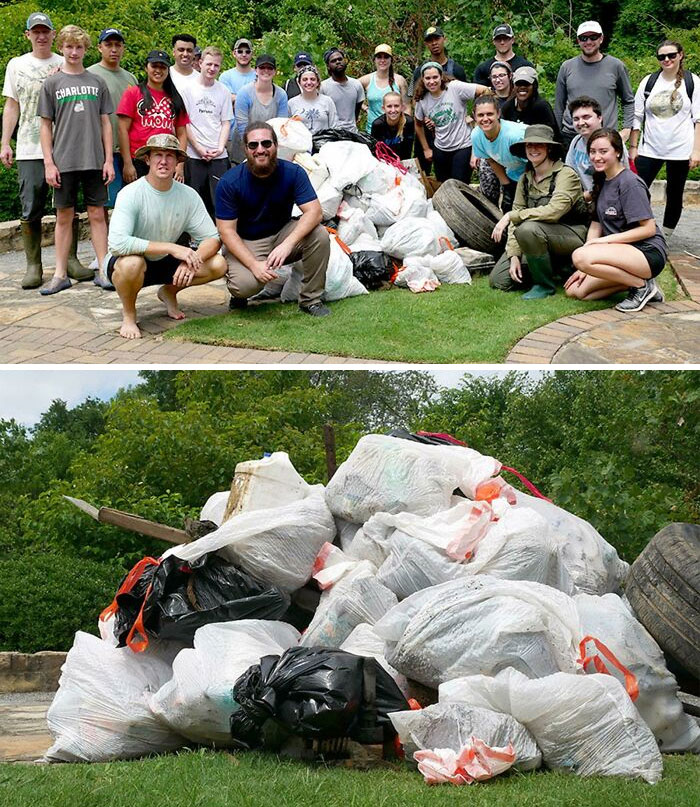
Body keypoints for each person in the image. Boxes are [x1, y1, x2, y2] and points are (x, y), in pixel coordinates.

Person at [1, 12, 91, 289]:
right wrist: (5, 142)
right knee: (31, 206)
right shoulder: (17, 65)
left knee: (67, 205)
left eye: (46, 31)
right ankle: (33, 265)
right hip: (29, 146)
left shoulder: (67, 61)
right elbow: (12, 105)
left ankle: (72, 260)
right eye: (35, 31)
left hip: (65, 147)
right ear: (28, 35)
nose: (41, 36)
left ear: (54, 35)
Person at [107, 133, 226, 339]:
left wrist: (189, 262)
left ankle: (169, 292)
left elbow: (212, 238)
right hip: (130, 262)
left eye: (170, 156)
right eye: (158, 155)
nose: (163, 161)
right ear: (148, 159)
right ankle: (129, 314)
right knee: (131, 264)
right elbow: (117, 243)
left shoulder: (188, 195)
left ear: (178, 162)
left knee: (218, 264)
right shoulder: (131, 193)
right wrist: (172, 248)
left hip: (166, 263)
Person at [215, 121, 331, 317]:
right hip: (247, 241)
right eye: (253, 145)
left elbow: (314, 212)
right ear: (245, 149)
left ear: (276, 146)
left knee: (319, 235)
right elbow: (226, 231)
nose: (260, 150)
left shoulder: (293, 172)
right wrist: (253, 265)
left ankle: (311, 299)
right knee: (244, 286)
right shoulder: (229, 182)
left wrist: (288, 244)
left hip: (281, 234)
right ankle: (239, 293)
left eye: (266, 144)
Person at [37, 24, 114, 295]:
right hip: (64, 160)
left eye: (79, 47)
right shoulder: (52, 82)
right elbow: (45, 126)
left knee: (97, 214)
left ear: (86, 49)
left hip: (94, 159)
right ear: (62, 48)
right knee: (63, 216)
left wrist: (108, 160)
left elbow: (106, 123)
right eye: (69, 46)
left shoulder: (97, 82)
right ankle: (60, 274)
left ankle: (104, 269)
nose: (73, 52)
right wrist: (49, 162)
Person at [565, 127, 667, 311]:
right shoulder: (602, 181)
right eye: (593, 152)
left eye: (604, 151)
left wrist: (600, 245)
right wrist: (585, 267)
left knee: (579, 256)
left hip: (647, 252)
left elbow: (648, 229)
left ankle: (642, 287)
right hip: (621, 254)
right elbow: (596, 225)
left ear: (618, 152)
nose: (597, 157)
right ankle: (641, 284)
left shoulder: (629, 182)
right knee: (576, 291)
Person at [489, 124, 588, 298]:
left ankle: (544, 285)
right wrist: (514, 255)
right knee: (499, 280)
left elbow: (554, 211)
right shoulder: (525, 179)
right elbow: (516, 218)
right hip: (536, 238)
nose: (533, 149)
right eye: (529, 145)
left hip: (571, 235)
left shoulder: (566, 174)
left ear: (549, 148)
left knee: (528, 229)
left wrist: (511, 216)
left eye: (539, 144)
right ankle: (554, 267)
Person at [630, 40, 700, 240]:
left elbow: (698, 119)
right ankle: (639, 229)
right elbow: (637, 116)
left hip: (680, 149)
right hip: (649, 148)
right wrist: (633, 146)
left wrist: (696, 151)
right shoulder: (649, 81)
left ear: (680, 55)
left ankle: (665, 236)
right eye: (662, 57)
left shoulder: (692, 81)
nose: (667, 60)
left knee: (674, 194)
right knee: (637, 189)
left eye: (671, 55)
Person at [87, 27, 137, 284]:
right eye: (109, 44)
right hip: (99, 151)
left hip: (126, 150)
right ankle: (102, 252)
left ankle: (117, 250)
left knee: (122, 204)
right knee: (101, 204)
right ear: (100, 47)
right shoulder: (90, 74)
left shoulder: (130, 77)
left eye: (118, 44)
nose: (114, 49)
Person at [554, 21, 634, 149]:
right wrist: (557, 134)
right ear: (578, 41)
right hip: (571, 136)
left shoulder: (616, 66)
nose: (588, 42)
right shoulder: (567, 67)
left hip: (605, 136)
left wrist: (626, 129)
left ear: (601, 38)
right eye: (583, 38)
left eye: (593, 37)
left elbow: (628, 100)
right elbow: (559, 105)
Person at [117, 50, 189, 183]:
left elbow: (182, 133)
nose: (158, 70)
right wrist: (127, 163)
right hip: (137, 158)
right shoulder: (133, 93)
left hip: (165, 160)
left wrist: (179, 165)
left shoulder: (175, 98)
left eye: (163, 67)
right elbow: (122, 129)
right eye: (154, 66)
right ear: (146, 67)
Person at [413, 63, 488, 184]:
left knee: (459, 186)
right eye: (427, 78)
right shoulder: (422, 98)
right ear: (422, 79)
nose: (432, 82)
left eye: (435, 77)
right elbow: (418, 124)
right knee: (444, 187)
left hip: (462, 145)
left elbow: (485, 90)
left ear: (441, 76)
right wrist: (426, 148)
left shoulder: (454, 88)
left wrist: (476, 114)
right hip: (440, 147)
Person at [181, 46, 233, 218]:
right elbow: (184, 123)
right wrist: (198, 148)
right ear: (200, 63)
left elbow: (226, 122)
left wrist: (220, 147)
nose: (212, 69)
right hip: (194, 154)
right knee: (195, 198)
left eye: (216, 66)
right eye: (209, 64)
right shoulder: (187, 90)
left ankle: (220, 236)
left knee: (220, 199)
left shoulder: (223, 91)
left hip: (218, 155)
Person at [565, 96, 629, 202]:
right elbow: (569, 173)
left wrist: (582, 197)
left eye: (586, 117)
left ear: (599, 118)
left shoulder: (612, 141)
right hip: (585, 200)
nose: (580, 123)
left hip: (611, 200)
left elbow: (621, 179)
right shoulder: (576, 142)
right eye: (576, 119)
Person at [471, 94, 528, 211]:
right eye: (480, 115)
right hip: (513, 172)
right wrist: (507, 187)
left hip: (534, 170)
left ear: (498, 114)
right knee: (507, 207)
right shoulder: (476, 135)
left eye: (490, 114)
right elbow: (491, 160)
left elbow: (536, 163)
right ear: (474, 117)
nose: (485, 119)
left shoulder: (514, 137)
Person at [476, 62, 515, 204]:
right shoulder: (486, 99)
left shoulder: (519, 97)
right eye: (494, 77)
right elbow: (478, 127)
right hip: (491, 152)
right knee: (488, 192)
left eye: (502, 75)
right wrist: (475, 154)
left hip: (512, 152)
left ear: (510, 76)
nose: (498, 79)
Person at [219, 38, 255, 163]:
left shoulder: (258, 75)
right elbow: (226, 100)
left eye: (247, 51)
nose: (244, 54)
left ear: (252, 54)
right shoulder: (225, 76)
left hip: (254, 135)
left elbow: (260, 100)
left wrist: (236, 98)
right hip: (229, 135)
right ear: (234, 53)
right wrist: (248, 99)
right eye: (240, 51)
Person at [234, 55, 289, 139]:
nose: (266, 70)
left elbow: (281, 124)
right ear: (256, 70)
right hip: (244, 141)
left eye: (270, 68)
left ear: (275, 72)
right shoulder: (244, 93)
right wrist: (250, 146)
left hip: (270, 142)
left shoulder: (281, 95)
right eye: (262, 67)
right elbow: (242, 125)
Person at [359, 45, 409, 134]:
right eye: (379, 57)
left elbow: (407, 106)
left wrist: (405, 128)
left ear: (391, 60)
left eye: (386, 57)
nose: (382, 60)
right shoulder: (366, 80)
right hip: (372, 131)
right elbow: (350, 90)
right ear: (374, 60)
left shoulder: (400, 81)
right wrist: (365, 108)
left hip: (395, 132)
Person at [501, 66, 560, 139]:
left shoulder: (542, 107)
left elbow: (553, 136)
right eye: (518, 84)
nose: (522, 87)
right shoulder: (507, 107)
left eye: (526, 84)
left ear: (534, 86)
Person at [408, 27, 467, 97]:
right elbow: (411, 96)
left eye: (437, 39)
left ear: (444, 39)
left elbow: (465, 95)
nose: (434, 43)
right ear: (426, 44)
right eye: (430, 41)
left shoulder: (457, 70)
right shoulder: (419, 72)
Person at [321, 48, 365, 133]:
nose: (338, 62)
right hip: (332, 134)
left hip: (352, 133)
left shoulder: (356, 84)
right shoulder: (323, 87)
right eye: (333, 61)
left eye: (340, 59)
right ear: (328, 66)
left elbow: (357, 109)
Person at [288, 65, 338, 134]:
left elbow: (334, 127)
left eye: (312, 79)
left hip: (324, 143)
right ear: (299, 82)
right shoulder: (291, 103)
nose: (309, 82)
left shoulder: (327, 101)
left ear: (318, 82)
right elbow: (288, 128)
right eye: (305, 79)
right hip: (300, 143)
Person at [371, 91, 415, 159]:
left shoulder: (409, 122)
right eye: (389, 106)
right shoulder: (377, 125)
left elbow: (408, 149)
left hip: (402, 160)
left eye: (396, 106)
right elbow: (375, 150)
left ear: (402, 107)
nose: (393, 110)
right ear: (383, 108)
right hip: (384, 161)